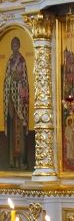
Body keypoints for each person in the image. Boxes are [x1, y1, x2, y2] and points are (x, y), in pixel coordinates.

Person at [3, 36, 29, 170]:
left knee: (20, 131)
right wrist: (10, 79)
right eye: (12, 45)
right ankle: (12, 160)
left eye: (16, 45)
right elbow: (6, 78)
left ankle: (22, 161)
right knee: (12, 130)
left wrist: (18, 79)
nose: (14, 48)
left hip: (20, 102)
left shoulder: (22, 60)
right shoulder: (9, 61)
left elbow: (25, 79)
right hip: (11, 102)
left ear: (19, 46)